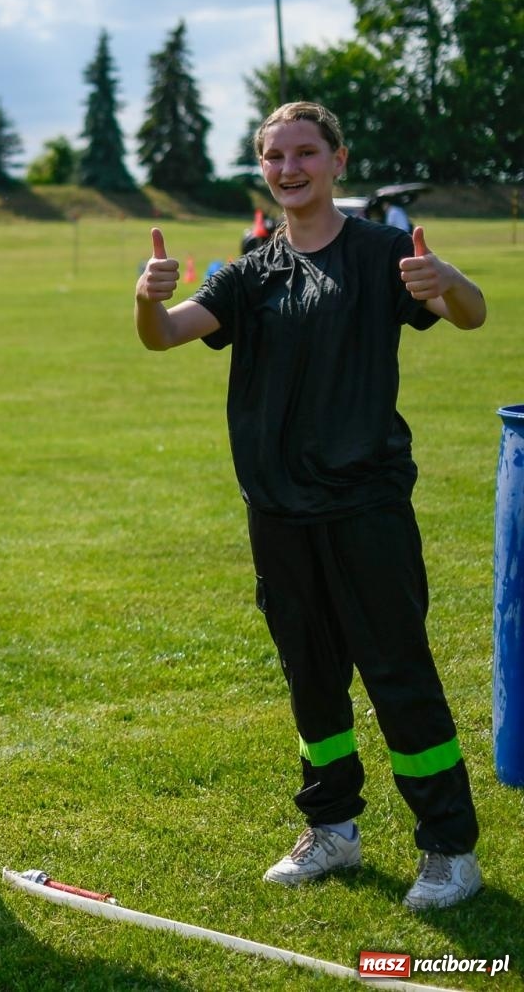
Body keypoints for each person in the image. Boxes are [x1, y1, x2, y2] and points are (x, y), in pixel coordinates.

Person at [134, 101, 486, 911]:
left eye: (304, 153)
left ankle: (449, 849)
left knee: (396, 670)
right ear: (263, 170)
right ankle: (331, 829)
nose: (288, 169)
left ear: (337, 160)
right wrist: (149, 298)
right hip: (277, 511)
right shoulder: (252, 272)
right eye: (273, 157)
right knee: (311, 676)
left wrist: (451, 281)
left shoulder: (382, 252)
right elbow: (166, 335)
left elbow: (471, 316)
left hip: (365, 504)